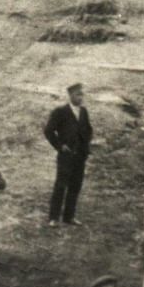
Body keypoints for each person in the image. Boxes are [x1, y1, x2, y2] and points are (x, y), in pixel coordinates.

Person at [45, 84, 93, 226]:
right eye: (78, 94)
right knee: (61, 185)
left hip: (80, 156)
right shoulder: (60, 112)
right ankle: (53, 218)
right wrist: (60, 146)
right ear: (71, 95)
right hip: (66, 156)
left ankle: (69, 217)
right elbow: (49, 131)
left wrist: (85, 145)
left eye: (81, 94)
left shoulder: (83, 111)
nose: (80, 97)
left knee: (75, 186)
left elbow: (88, 130)